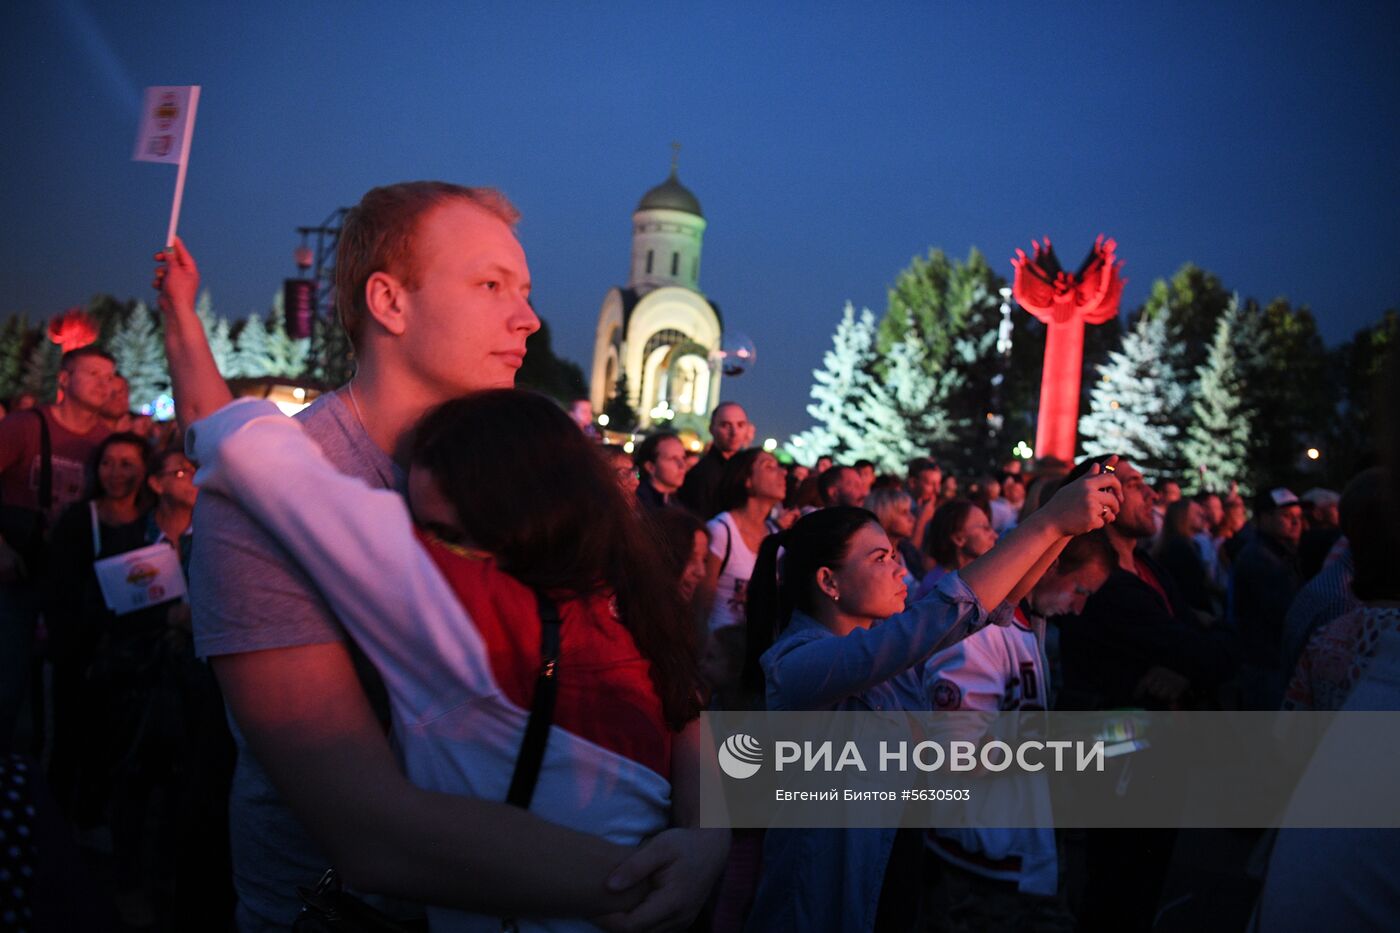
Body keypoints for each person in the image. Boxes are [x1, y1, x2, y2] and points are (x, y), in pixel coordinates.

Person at [155, 184, 718, 931]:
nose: (529, 318)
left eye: (525, 290)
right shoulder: (269, 500)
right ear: (388, 302)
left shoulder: (551, 473)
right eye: (491, 286)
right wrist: (646, 883)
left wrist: (710, 832)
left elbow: (676, 691)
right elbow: (369, 831)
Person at [188, 389, 727, 932]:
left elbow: (248, 450)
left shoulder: (473, 607)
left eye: (446, 532)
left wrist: (183, 316)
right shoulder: (636, 602)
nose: (427, 545)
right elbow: (791, 767)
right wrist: (712, 833)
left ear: (517, 508)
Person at [740, 463, 1122, 933]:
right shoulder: (796, 666)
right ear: (828, 582)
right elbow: (932, 620)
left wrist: (1063, 528)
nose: (900, 568)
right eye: (880, 558)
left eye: (895, 554)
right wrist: (1048, 522)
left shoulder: (882, 651)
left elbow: (997, 605)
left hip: (885, 893)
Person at [1053, 456, 1238, 933]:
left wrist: (1187, 668)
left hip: (1160, 759)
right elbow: (1209, 651)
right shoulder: (1106, 586)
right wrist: (1197, 658)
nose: (1152, 494)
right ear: (1102, 503)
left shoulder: (1150, 566)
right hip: (1122, 771)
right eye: (1134, 485)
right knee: (1118, 897)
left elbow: (1203, 645)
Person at [923, 530, 1116, 928]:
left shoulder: (1029, 622)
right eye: (1079, 589)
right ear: (1054, 564)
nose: (1078, 608)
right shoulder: (981, 630)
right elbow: (955, 753)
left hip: (1010, 847)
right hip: (980, 855)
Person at [0, 345, 115, 754]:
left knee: (63, 683)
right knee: (8, 680)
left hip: (69, 582)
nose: (105, 384)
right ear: (64, 379)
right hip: (18, 573)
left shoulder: (106, 443)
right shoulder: (23, 427)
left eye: (109, 376)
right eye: (93, 374)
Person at [701, 449, 786, 707]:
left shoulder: (775, 536)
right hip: (720, 663)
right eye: (769, 466)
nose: (782, 473)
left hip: (756, 659)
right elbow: (701, 602)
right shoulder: (721, 530)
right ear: (746, 479)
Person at [1230, 487, 1304, 709]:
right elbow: (1283, 613)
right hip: (1267, 665)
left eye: (1299, 517)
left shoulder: (1280, 553)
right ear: (1263, 518)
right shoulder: (1260, 559)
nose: (1295, 523)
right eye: (1286, 516)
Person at [911, 499, 998, 602]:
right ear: (958, 538)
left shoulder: (970, 579)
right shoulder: (940, 590)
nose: (995, 535)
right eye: (985, 528)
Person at [678, 402, 753, 519]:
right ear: (711, 429)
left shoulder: (749, 469)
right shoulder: (701, 475)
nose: (734, 432)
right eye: (725, 425)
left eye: (740, 425)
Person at [864, 486, 923, 584]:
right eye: (904, 513)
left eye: (910, 512)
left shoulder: (907, 550)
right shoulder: (871, 558)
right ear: (885, 514)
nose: (912, 518)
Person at [633, 431, 688, 510]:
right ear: (650, 467)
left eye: (683, 458)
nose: (682, 465)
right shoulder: (640, 505)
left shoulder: (678, 502)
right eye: (673, 458)